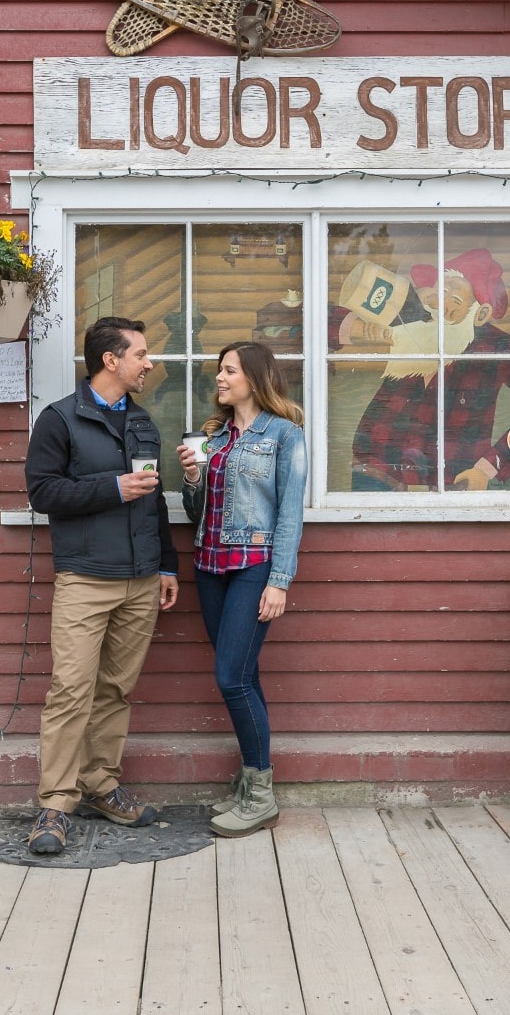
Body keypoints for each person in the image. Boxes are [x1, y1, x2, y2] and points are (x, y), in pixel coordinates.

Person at [23, 316, 179, 856]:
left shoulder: (142, 423)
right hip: (86, 579)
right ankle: (55, 803)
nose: (149, 362)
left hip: (141, 579)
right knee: (70, 692)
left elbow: (155, 500)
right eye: (140, 354)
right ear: (110, 361)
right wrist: (112, 487)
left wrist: (167, 565)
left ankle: (101, 785)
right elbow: (43, 494)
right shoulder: (59, 420)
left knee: (116, 690)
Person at [178, 341, 307, 838]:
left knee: (231, 677)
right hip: (210, 566)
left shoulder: (285, 435)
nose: (220, 378)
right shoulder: (214, 436)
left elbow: (291, 512)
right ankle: (252, 784)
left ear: (254, 377)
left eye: (228, 370)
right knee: (244, 674)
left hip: (254, 565)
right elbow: (197, 514)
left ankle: (260, 795)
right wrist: (193, 478)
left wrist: (279, 581)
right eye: (218, 371)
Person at [340, 247, 510, 492]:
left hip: (453, 475)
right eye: (440, 289)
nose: (440, 300)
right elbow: (321, 321)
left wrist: (488, 466)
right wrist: (358, 330)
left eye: (455, 296)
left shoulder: (498, 346)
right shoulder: (410, 318)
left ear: (480, 312)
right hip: (378, 462)